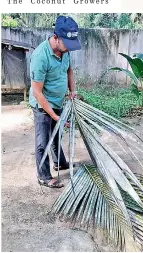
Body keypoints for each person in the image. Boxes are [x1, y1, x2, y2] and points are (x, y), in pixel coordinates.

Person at [29, 16, 81, 188]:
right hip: (42, 105)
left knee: (56, 136)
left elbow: (69, 70)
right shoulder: (40, 56)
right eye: (67, 43)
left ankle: (60, 163)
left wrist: (72, 91)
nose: (69, 48)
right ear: (56, 37)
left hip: (57, 102)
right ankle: (43, 176)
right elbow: (37, 92)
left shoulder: (65, 51)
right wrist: (53, 115)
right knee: (42, 141)